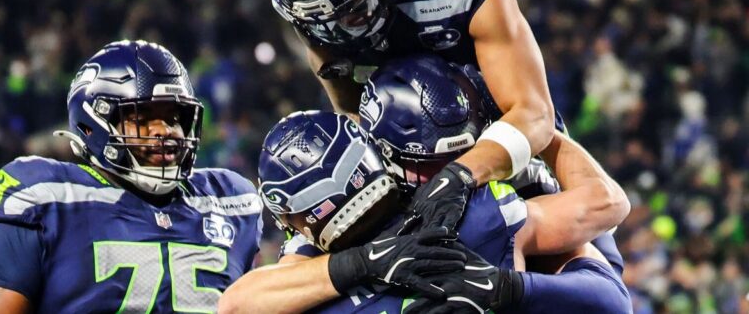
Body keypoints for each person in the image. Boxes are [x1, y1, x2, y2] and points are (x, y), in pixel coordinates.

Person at [267, 0, 557, 235]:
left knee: (577, 246)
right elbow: (354, 119)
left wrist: (457, 177)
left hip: (498, 139)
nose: (338, 35)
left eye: (354, 12)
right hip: (406, 171)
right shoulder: (319, 19)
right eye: (320, 25)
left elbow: (533, 114)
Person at [218, 104, 630, 313]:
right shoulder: (481, 213)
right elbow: (610, 295)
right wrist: (541, 128)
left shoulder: (299, 284)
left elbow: (235, 304)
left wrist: (363, 262)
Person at [0, 40, 263, 313]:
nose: (164, 131)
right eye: (141, 119)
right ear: (93, 124)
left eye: (174, 118)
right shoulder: (49, 199)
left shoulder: (230, 200)